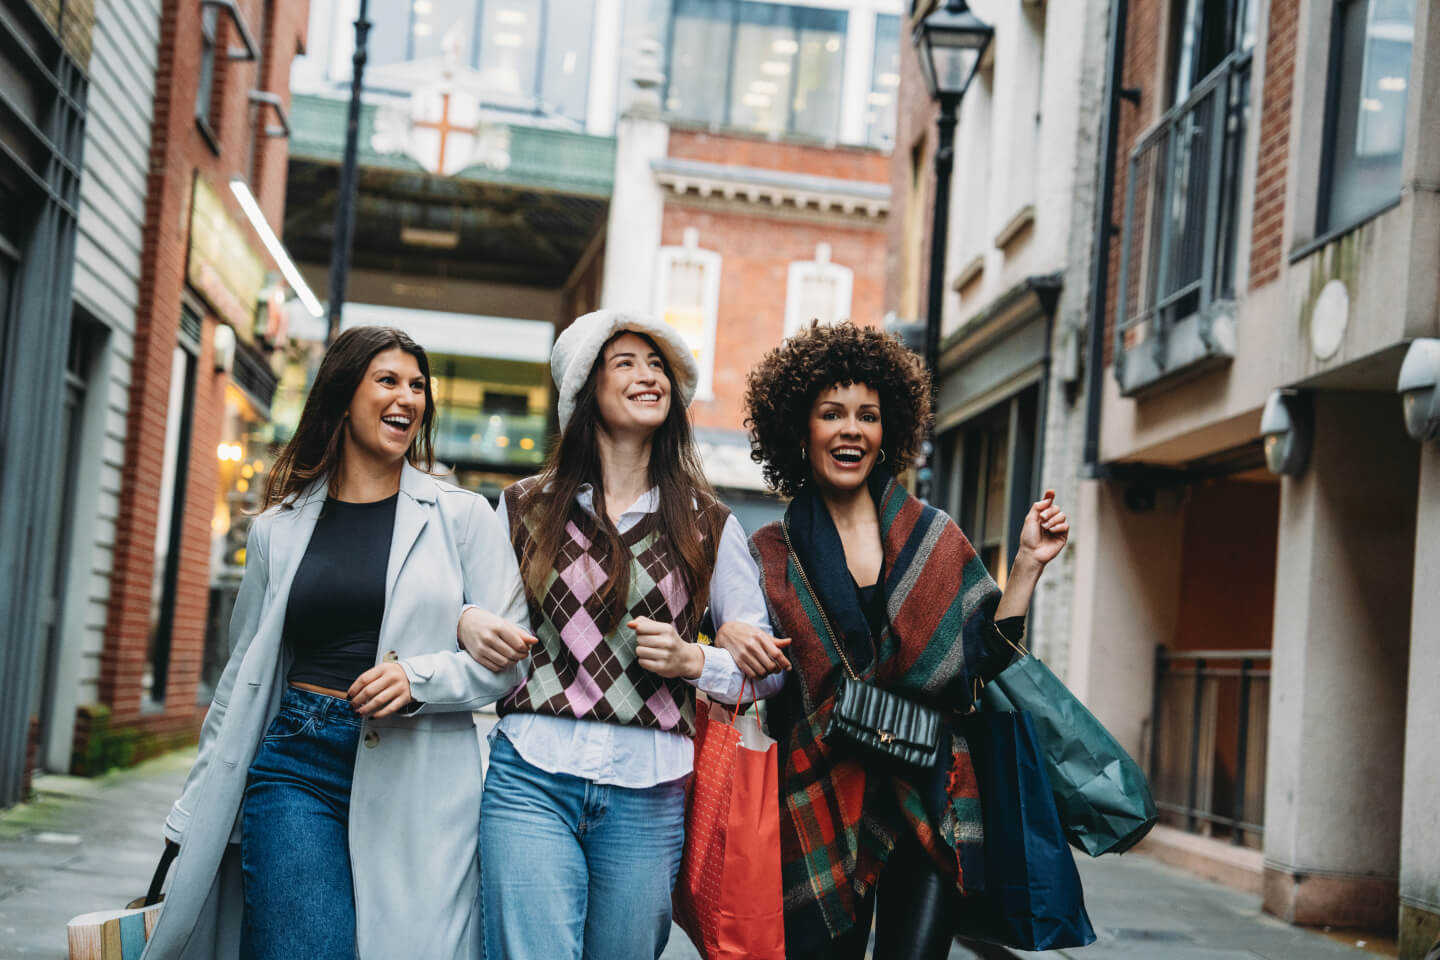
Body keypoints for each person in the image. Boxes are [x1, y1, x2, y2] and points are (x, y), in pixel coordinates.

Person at [142, 326, 528, 960]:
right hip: (297, 763)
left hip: (420, 774)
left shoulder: (463, 518)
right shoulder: (278, 528)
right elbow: (242, 678)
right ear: (344, 395)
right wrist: (188, 813)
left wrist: (419, 680)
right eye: (388, 380)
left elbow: (512, 665)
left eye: (417, 385)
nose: (407, 396)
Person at [715, 322, 1069, 960]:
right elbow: (749, 660)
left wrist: (1027, 565)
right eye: (832, 414)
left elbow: (983, 660)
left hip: (928, 792)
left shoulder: (934, 534)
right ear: (800, 431)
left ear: (888, 433)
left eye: (868, 416)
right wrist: (731, 632)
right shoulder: (768, 551)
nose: (852, 429)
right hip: (816, 797)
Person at [458, 309, 786, 960]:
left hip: (650, 795)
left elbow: (768, 668)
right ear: (585, 390)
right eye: (626, 363)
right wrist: (467, 620)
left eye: (658, 365)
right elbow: (470, 613)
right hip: (531, 779)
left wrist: (696, 659)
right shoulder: (524, 506)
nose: (649, 376)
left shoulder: (709, 524)